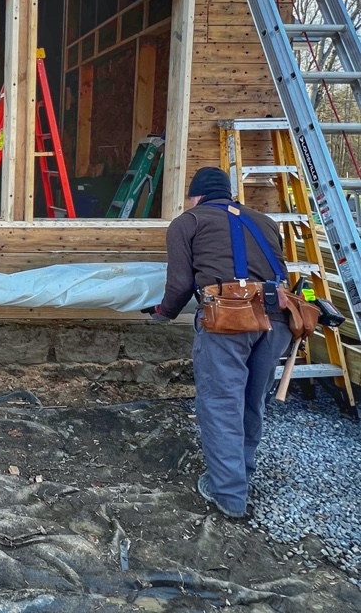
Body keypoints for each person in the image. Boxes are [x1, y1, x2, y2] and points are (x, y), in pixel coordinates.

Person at [147, 166, 292, 519]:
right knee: (251, 400)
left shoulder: (188, 222)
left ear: (196, 196)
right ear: (228, 194)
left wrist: (163, 313)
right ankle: (241, 475)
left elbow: (181, 282)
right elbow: (281, 273)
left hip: (228, 318)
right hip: (278, 320)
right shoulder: (265, 221)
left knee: (221, 403)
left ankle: (228, 495)